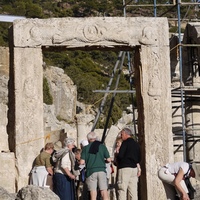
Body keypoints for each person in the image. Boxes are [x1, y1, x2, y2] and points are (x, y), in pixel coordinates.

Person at [80, 131, 111, 200]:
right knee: (104, 191)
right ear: (95, 138)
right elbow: (109, 160)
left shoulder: (85, 148)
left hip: (91, 171)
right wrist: (103, 161)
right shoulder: (102, 147)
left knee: (93, 193)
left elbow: (82, 162)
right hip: (101, 170)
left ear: (88, 139)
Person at [116, 127, 141, 200]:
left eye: (122, 134)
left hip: (124, 168)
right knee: (133, 191)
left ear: (126, 134)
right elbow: (139, 158)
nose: (121, 136)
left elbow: (120, 155)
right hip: (134, 169)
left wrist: (117, 158)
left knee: (122, 189)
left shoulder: (125, 143)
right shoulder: (136, 144)